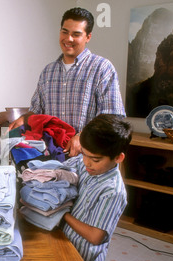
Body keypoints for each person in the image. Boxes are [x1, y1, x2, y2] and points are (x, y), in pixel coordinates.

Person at [9, 7, 126, 157]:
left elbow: (112, 117)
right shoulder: (48, 71)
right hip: (50, 156)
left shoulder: (102, 68)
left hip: (88, 158)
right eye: (65, 32)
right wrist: (24, 119)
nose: (68, 39)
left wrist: (82, 137)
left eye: (76, 34)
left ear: (88, 37)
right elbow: (37, 110)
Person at [61, 114, 132, 261]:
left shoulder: (112, 191)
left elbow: (95, 237)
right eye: (84, 154)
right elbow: (60, 168)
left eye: (95, 159)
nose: (87, 162)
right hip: (66, 244)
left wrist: (62, 214)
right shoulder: (87, 164)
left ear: (118, 157)